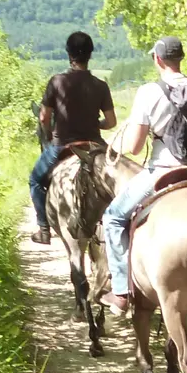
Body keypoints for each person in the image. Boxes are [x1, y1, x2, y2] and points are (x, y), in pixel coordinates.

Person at [99, 36, 187, 313]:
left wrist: (117, 143)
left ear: (158, 60)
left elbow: (135, 148)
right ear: (180, 58)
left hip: (163, 170)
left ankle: (122, 292)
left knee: (112, 218)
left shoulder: (149, 92)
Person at [29, 31, 117, 244]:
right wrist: (94, 123)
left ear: (69, 55)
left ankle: (43, 229)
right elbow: (111, 122)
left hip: (62, 145)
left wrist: (50, 135)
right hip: (95, 145)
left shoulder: (57, 81)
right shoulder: (100, 85)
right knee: (116, 181)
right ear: (90, 55)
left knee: (35, 180)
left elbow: (43, 117)